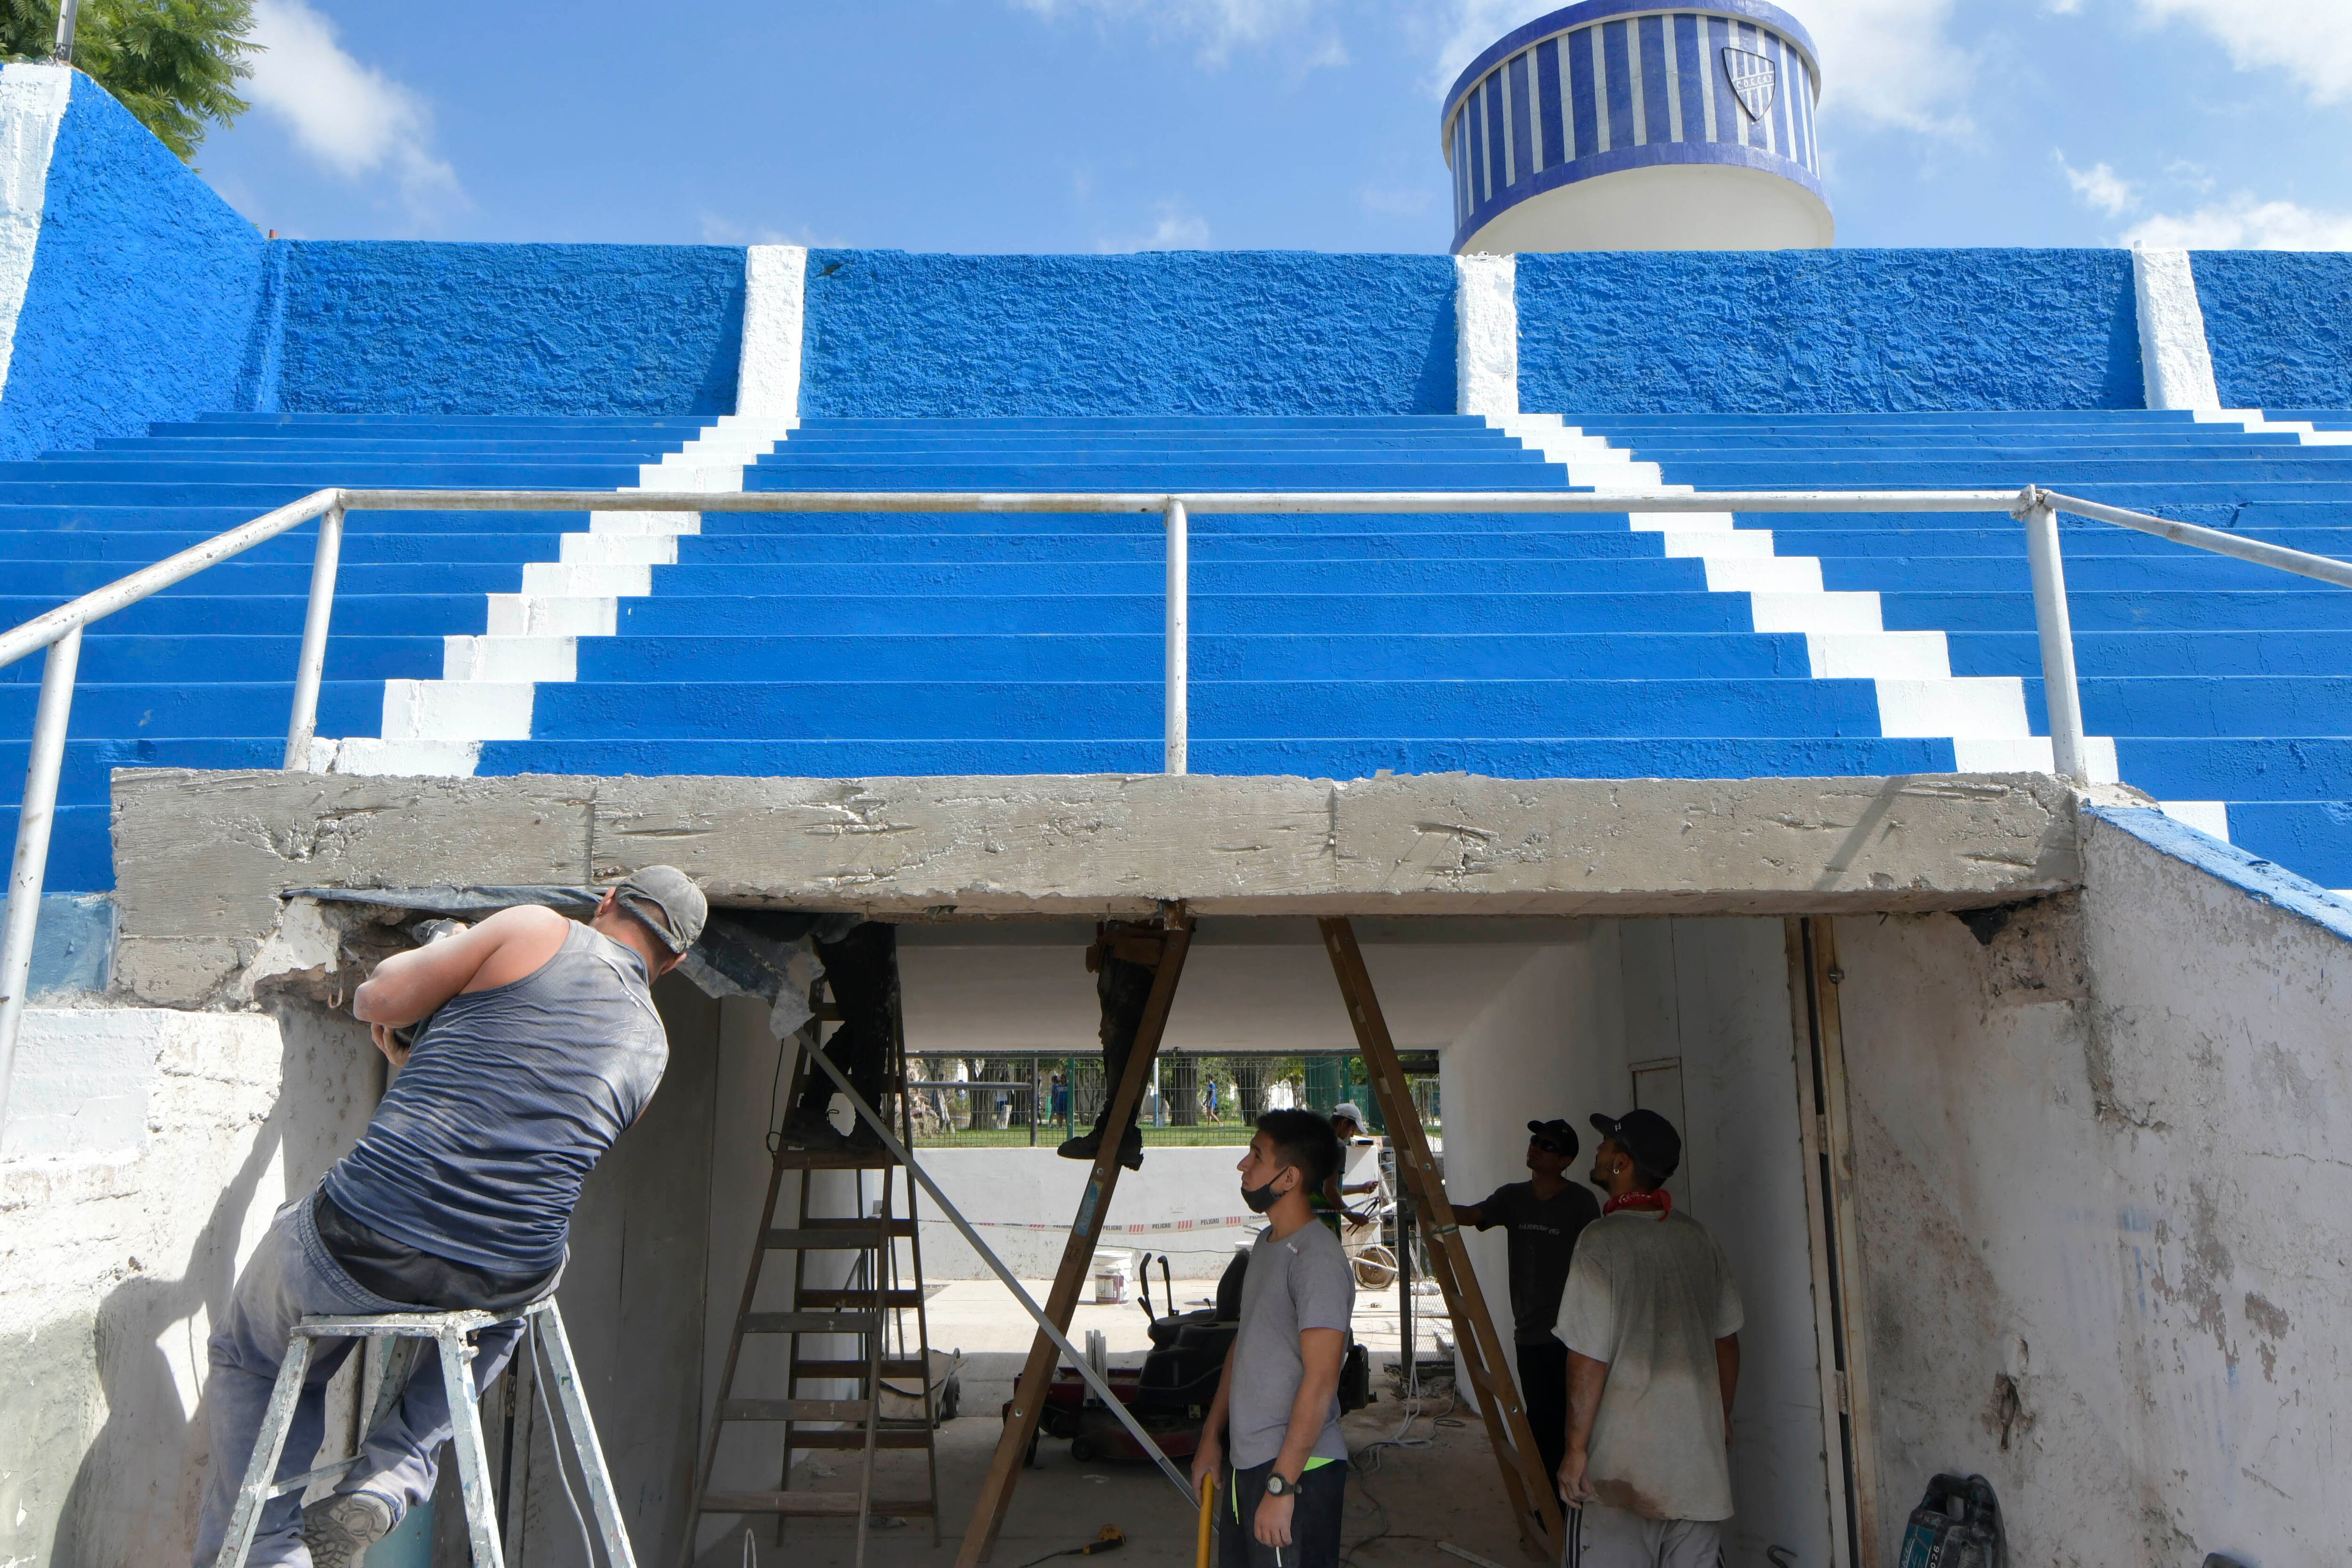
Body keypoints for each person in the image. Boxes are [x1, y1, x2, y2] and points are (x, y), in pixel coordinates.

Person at [193, 868, 707, 1568]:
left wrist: (443, 956)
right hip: (497, 1278)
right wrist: (426, 1054)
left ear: (607, 900)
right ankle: (392, 1473)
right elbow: (531, 1138)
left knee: (251, 1354)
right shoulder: (654, 1051)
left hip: (359, 1242)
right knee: (532, 1287)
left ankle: (267, 1550)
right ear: (672, 962)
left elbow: (374, 995)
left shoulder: (534, 927)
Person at [1554, 1110, 1742, 1568]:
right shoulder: (1698, 1239)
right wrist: (1718, 1421)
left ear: (1621, 1164)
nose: (1596, 1151)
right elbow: (1726, 1345)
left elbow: (1587, 1358)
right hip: (1696, 1471)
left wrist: (1575, 1451)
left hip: (1620, 1473)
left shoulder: (1598, 1242)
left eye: (1605, 1145)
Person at [1192, 1110, 1355, 1568]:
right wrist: (1211, 1437)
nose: (1243, 1166)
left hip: (1297, 1470)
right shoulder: (1268, 1244)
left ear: (1288, 1178)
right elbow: (1245, 1347)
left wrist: (1283, 1485)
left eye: (1256, 1155)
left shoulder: (1316, 1260)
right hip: (1253, 1463)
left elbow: (1321, 1381)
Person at [1447, 1117, 1601, 1483]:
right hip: (1530, 1334)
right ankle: (1549, 1509)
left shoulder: (1580, 1202)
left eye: (1547, 1145)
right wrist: (1432, 1205)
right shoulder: (1513, 1197)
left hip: (1573, 1335)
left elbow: (1599, 1262)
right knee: (1541, 1423)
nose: (1536, 1146)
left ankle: (1573, 1512)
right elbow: (1473, 1215)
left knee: (1575, 1422)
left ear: (1565, 1160)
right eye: (1535, 1140)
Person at [774, 920, 899, 1150]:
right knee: (872, 1022)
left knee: (864, 1021)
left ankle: (813, 1116)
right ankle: (864, 1125)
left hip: (833, 928)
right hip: (860, 925)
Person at [1057, 920, 1168, 1170]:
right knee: (1111, 1029)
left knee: (1119, 1027)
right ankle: (1118, 1129)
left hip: (1137, 936)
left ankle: (1117, 1128)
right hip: (1118, 937)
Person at [1311, 1101, 1382, 1236]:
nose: (1352, 1135)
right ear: (1344, 1123)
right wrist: (1351, 1216)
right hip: (1326, 1226)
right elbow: (1329, 1190)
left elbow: (1325, 1188)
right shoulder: (1338, 1146)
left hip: (1303, 1223)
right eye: (1353, 1130)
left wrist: (1361, 1188)